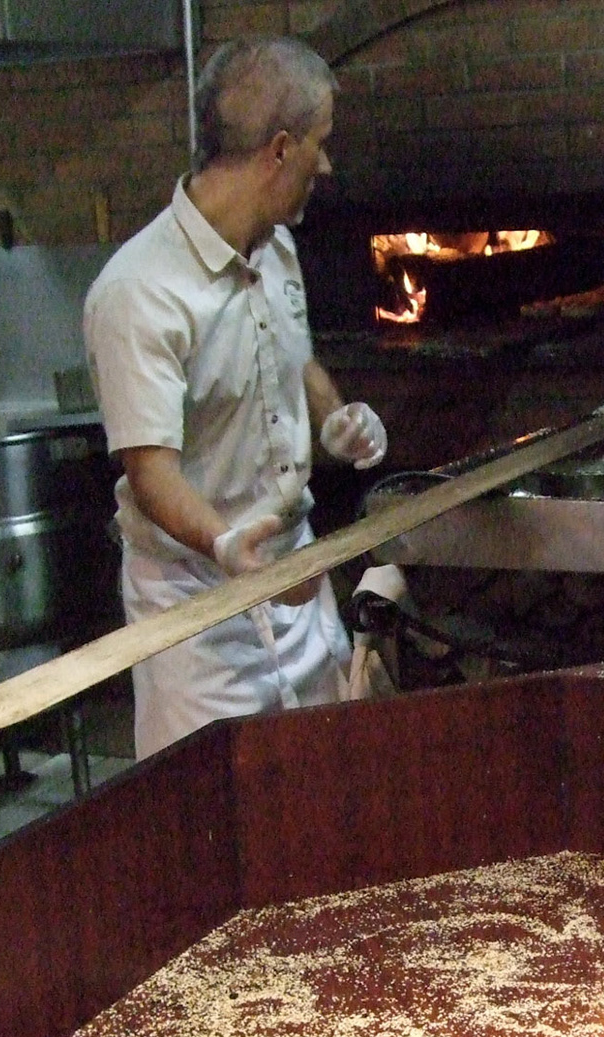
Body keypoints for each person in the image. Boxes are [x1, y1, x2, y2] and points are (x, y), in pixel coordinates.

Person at [84, 35, 387, 757]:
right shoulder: (138, 293)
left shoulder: (275, 244)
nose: (328, 163)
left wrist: (334, 417)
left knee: (322, 786)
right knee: (218, 818)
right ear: (279, 149)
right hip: (199, 612)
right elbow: (149, 472)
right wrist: (224, 546)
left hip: (295, 577)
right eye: (321, 143)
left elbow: (294, 358)